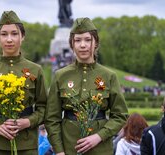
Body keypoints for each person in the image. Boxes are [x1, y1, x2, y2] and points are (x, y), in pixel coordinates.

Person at [45, 17, 128, 155]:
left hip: (100, 148)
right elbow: (51, 119)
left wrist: (99, 136)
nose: (82, 45)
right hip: (69, 148)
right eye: (78, 40)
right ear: (72, 44)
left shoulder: (109, 76)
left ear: (95, 43)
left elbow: (120, 115)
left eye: (87, 40)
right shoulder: (60, 76)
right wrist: (59, 151)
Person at [0, 10, 47, 155]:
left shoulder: (35, 70)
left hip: (26, 143)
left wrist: (27, 121)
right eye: (4, 34)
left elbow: (44, 107)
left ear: (22, 36)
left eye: (14, 33)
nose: (9, 39)